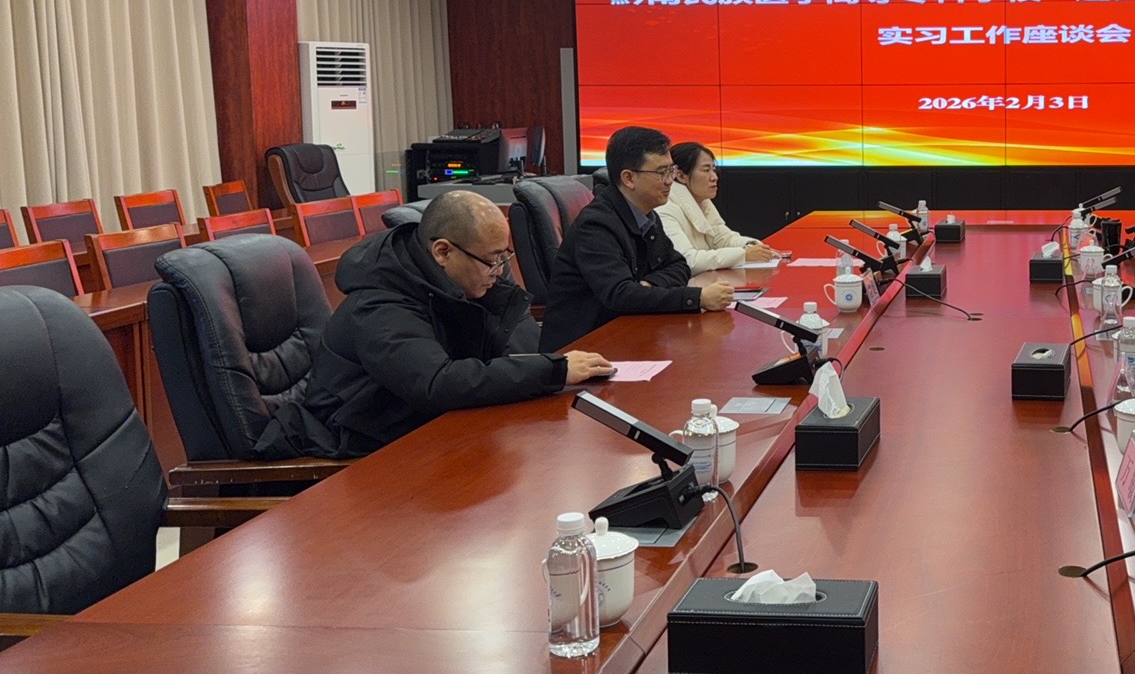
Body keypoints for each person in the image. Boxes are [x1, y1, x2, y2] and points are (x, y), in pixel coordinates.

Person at [260, 191, 614, 459]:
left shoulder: (466, 276)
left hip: (430, 429)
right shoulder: (381, 302)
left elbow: (523, 347)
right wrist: (552, 370)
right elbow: (435, 383)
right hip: (367, 446)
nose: (501, 271)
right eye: (493, 261)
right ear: (443, 252)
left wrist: (553, 367)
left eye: (505, 257)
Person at [540, 126, 736, 352]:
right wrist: (697, 298)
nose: (670, 180)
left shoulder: (647, 215)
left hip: (624, 332)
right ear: (629, 178)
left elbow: (679, 265)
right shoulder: (596, 225)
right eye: (661, 172)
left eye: (671, 170)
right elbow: (620, 295)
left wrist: (647, 286)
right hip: (583, 348)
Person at [657, 142, 779, 274]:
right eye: (706, 170)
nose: (714, 177)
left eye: (714, 170)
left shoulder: (702, 201)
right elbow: (688, 260)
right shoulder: (665, 209)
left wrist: (752, 246)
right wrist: (744, 254)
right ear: (681, 176)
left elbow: (724, 238)